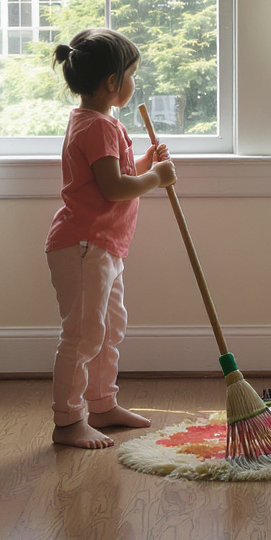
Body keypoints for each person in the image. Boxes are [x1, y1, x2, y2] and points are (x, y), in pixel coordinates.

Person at [46, 28, 177, 448]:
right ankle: (67, 420)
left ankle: (102, 404)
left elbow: (115, 174)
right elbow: (115, 189)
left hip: (103, 246)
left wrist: (144, 162)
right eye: (132, 73)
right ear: (111, 82)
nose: (135, 82)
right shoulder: (98, 127)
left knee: (108, 327)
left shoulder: (97, 123)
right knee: (84, 334)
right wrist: (155, 177)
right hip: (85, 246)